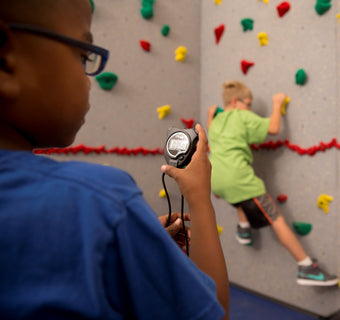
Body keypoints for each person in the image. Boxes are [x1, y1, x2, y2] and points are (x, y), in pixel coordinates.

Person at [0, 0, 229, 319]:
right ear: (5, 58)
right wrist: (199, 198)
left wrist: (129, 249)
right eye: (83, 56)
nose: (89, 78)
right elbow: (215, 313)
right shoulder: (100, 202)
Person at [207, 81, 338, 286]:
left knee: (237, 198)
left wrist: (211, 114)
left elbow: (210, 135)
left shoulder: (215, 121)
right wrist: (277, 104)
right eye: (248, 103)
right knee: (276, 219)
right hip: (237, 177)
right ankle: (305, 267)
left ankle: (243, 228)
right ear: (235, 101)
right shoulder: (241, 116)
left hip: (215, 178)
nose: (249, 107)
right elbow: (274, 128)